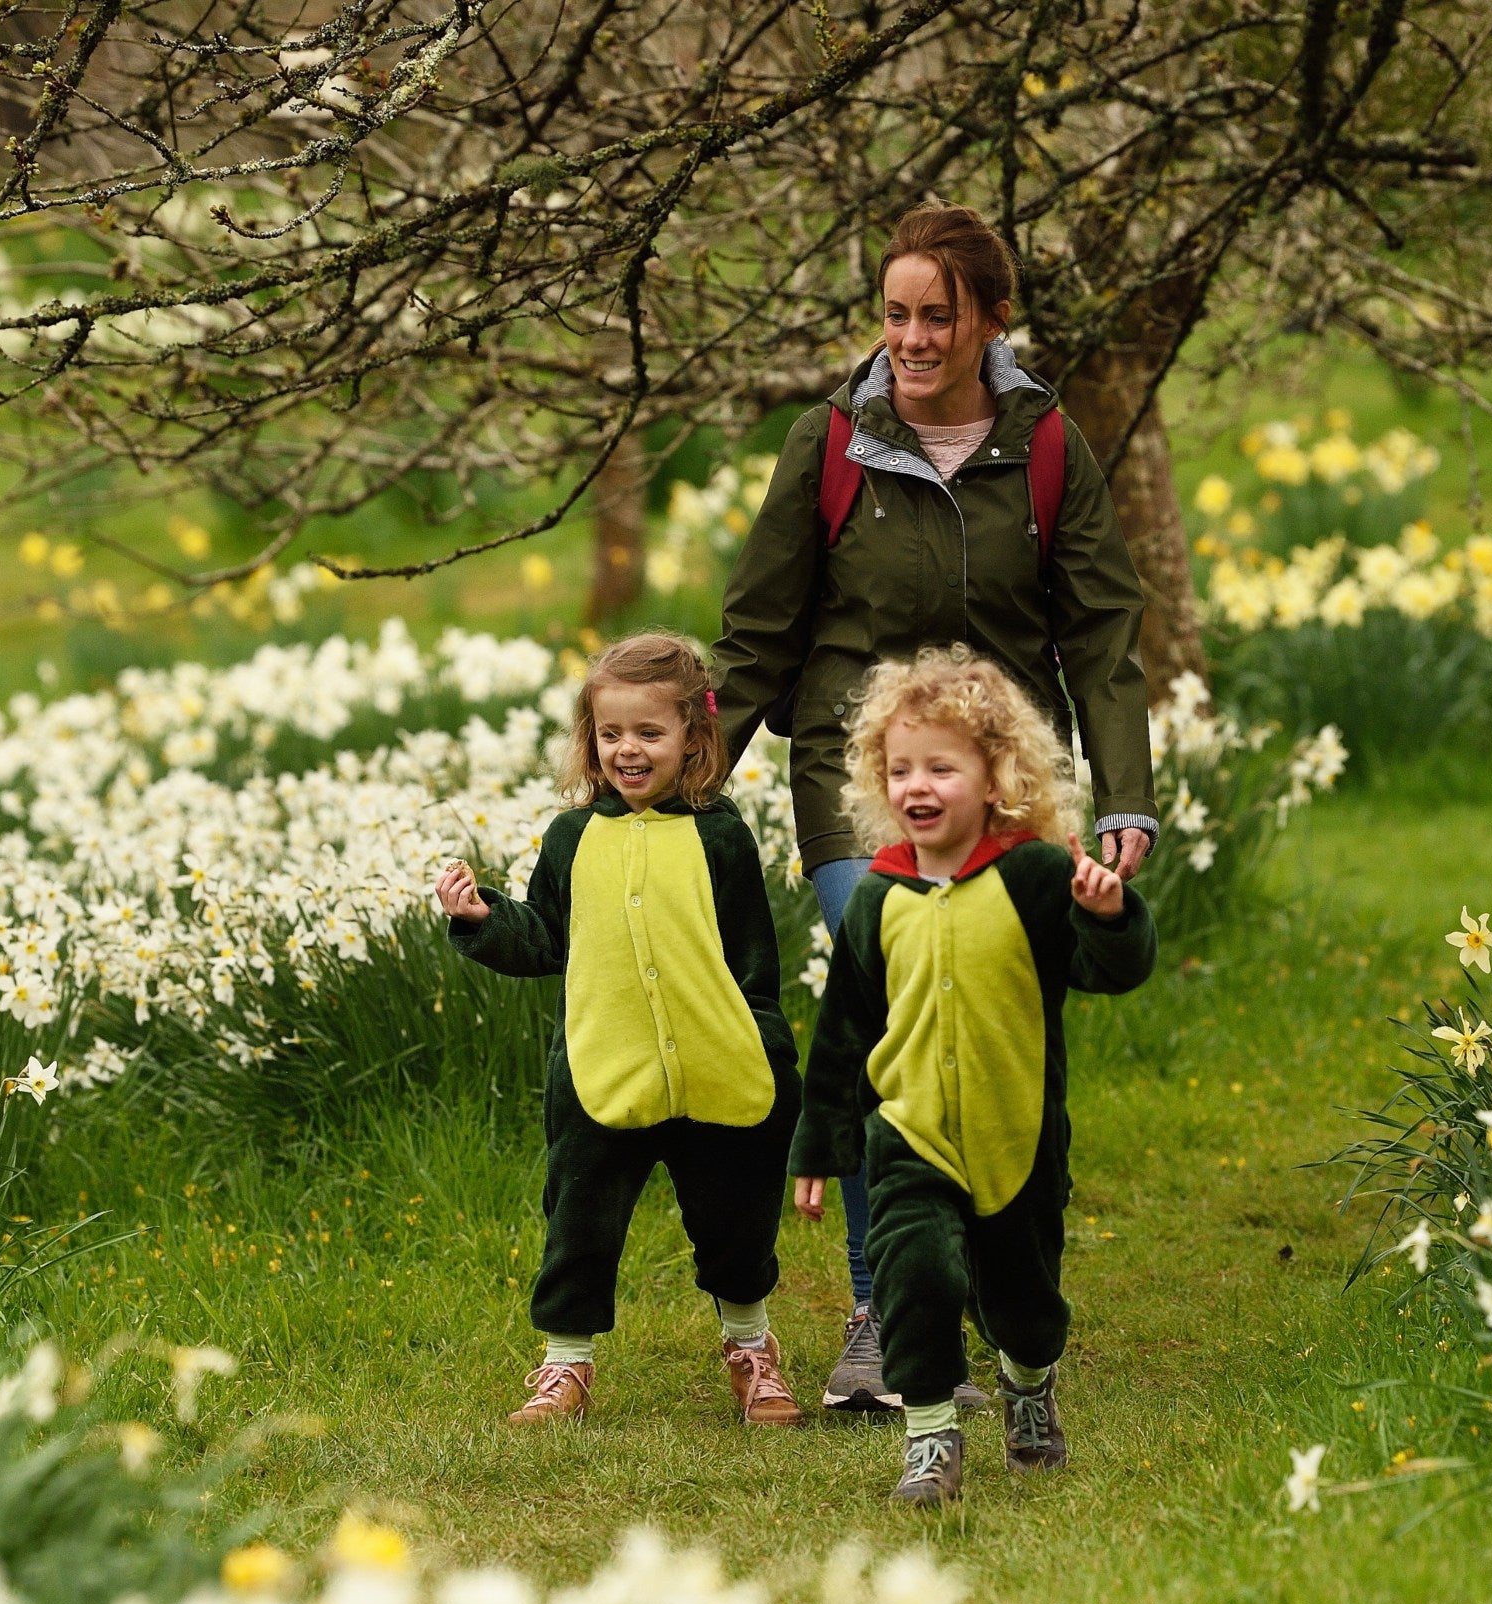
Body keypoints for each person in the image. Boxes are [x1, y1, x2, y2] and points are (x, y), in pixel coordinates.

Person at [712, 202, 1158, 1411]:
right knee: (895, 1005)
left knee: (996, 1031)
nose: (911, 338)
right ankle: (879, 1308)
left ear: (990, 323)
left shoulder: (1050, 445)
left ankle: (1003, 1284)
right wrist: (674, 785)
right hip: (862, 788)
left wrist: (1126, 798)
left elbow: (1104, 635)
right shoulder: (831, 443)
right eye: (896, 314)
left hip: (1004, 789)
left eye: (937, 316)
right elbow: (759, 630)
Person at [788, 648, 1157, 1504]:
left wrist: (1110, 914)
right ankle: (929, 1439)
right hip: (909, 1133)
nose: (917, 785)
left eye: (942, 767)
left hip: (1017, 1133)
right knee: (915, 1274)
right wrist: (820, 1143)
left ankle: (1030, 1388)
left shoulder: (1033, 876)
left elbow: (1114, 970)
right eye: (900, 768)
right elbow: (844, 1032)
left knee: (1022, 1303)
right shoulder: (876, 899)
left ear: (997, 777)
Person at [438, 630, 808, 1428]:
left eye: (650, 733)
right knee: (579, 1217)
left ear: (694, 738)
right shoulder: (572, 839)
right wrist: (482, 917)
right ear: (590, 740)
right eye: (611, 735)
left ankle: (752, 1351)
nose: (628, 751)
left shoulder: (722, 838)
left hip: (719, 1067)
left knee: (735, 1220)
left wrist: (768, 1050)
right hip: (602, 1069)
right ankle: (565, 1364)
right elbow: (545, 938)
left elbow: (752, 961)